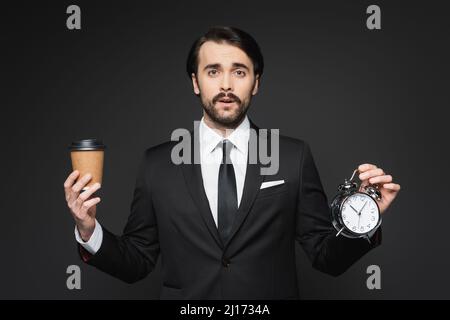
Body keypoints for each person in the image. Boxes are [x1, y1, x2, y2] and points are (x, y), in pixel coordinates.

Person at [63, 26, 400, 299]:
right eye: (213, 71)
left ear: (256, 83)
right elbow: (137, 262)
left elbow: (326, 257)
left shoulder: (292, 157)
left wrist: (366, 217)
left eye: (239, 72)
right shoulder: (157, 164)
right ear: (196, 82)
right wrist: (88, 229)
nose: (226, 84)